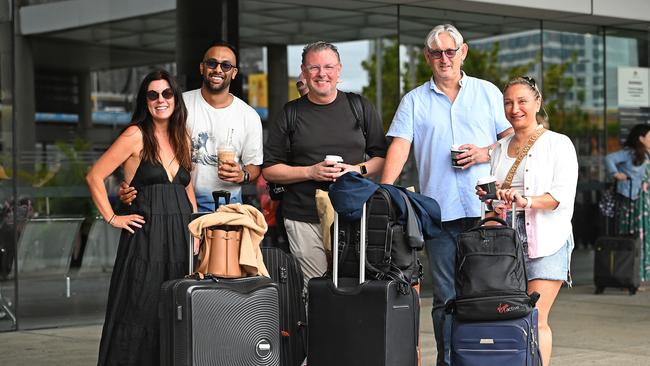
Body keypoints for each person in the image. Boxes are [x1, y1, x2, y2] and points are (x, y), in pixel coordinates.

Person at [379, 24, 513, 366]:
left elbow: (515, 139)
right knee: (446, 297)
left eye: (450, 51)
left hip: (487, 212)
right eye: (436, 52)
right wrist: (383, 192)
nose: (444, 58)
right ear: (427, 57)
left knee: (488, 292)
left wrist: (485, 152)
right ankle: (449, 361)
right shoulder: (414, 100)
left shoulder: (487, 92)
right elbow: (400, 146)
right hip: (440, 216)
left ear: (463, 52)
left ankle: (484, 357)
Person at [86, 69, 197, 366]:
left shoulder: (182, 136)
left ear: (175, 98)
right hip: (146, 239)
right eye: (152, 95)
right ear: (145, 100)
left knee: (179, 310)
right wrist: (112, 218)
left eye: (166, 93)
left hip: (181, 238)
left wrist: (197, 230)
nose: (160, 100)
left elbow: (187, 189)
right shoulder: (135, 134)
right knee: (140, 309)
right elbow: (95, 176)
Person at [262, 41, 387, 286]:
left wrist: (355, 169)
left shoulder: (359, 107)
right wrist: (311, 171)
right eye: (314, 67)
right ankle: (318, 326)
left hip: (354, 215)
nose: (322, 74)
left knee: (353, 286)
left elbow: (382, 158)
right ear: (304, 72)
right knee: (316, 287)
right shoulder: (290, 113)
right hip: (303, 216)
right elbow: (270, 169)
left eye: (328, 67)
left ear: (339, 69)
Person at [477, 76, 578, 366]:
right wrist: (490, 197)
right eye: (508, 102)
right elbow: (494, 206)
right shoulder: (497, 149)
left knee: (535, 316)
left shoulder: (558, 144)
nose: (515, 108)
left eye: (522, 101)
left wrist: (528, 201)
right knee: (509, 317)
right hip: (506, 243)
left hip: (547, 239)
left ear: (537, 103)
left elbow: (561, 197)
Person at [120, 41, 263, 211]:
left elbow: (254, 165)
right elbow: (145, 142)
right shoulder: (179, 105)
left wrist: (243, 175)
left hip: (227, 203)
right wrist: (129, 183)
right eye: (212, 63)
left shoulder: (248, 115)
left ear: (234, 73)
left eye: (226, 65)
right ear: (202, 68)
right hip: (178, 200)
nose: (218, 70)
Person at [605, 123, 650, 283]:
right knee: (635, 238)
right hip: (634, 203)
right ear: (641, 138)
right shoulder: (630, 153)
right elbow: (609, 158)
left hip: (646, 202)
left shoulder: (646, 154)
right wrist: (616, 174)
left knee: (645, 239)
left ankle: (641, 278)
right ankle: (631, 277)